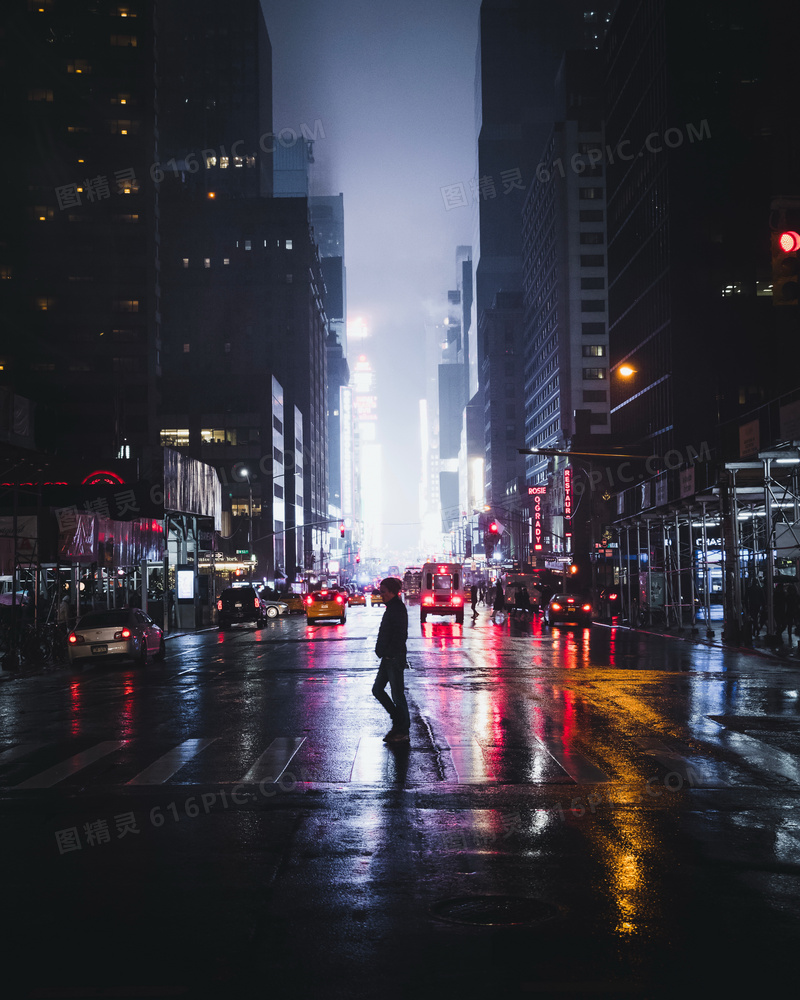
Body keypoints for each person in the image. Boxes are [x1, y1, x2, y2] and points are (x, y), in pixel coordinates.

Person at [372, 577, 410, 743]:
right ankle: (397, 720)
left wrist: (390, 652)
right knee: (377, 690)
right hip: (387, 658)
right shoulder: (392, 607)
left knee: (397, 695)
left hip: (393, 658)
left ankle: (402, 729)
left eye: (383, 592)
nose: (381, 595)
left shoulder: (397, 609)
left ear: (392, 592)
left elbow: (400, 635)